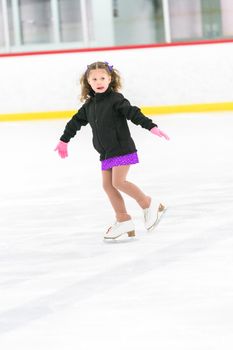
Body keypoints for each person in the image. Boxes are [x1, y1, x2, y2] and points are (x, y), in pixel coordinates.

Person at [55, 61, 169, 240]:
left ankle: (148, 204)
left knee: (119, 182)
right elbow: (75, 122)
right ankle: (123, 220)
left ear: (109, 79)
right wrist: (64, 140)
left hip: (121, 148)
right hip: (106, 152)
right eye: (94, 79)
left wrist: (151, 126)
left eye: (102, 78)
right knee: (107, 186)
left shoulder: (116, 99)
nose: (99, 81)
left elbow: (132, 113)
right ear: (88, 82)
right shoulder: (89, 105)